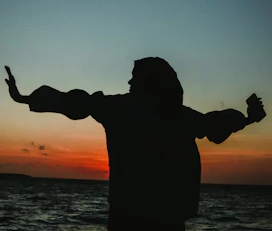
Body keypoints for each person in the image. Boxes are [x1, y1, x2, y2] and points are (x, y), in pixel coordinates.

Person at [5, 57, 265, 231]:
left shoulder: (121, 109)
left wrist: (24, 98)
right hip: (167, 220)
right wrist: (248, 119)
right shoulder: (181, 117)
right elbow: (217, 123)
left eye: (134, 77)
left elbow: (74, 102)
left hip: (129, 218)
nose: (129, 82)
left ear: (149, 82)